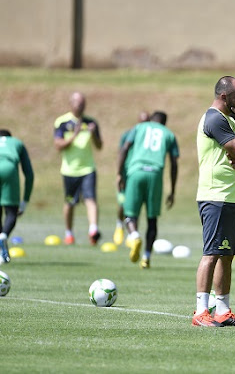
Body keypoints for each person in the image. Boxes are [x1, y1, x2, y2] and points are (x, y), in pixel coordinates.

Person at [193, 76, 235, 327]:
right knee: (211, 253)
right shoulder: (215, 118)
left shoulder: (228, 119)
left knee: (227, 255)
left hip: (231, 196)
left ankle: (222, 310)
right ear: (224, 97)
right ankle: (200, 311)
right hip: (215, 195)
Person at [117, 112, 179, 269]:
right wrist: (172, 189)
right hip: (155, 174)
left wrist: (119, 173)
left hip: (136, 171)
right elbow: (174, 163)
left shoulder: (139, 127)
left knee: (130, 214)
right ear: (164, 123)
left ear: (151, 119)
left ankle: (134, 235)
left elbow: (125, 148)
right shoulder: (169, 134)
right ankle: (146, 257)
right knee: (152, 219)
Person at [53, 92, 103, 245]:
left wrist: (93, 134)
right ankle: (69, 233)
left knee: (90, 199)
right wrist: (74, 135)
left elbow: (99, 146)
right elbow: (58, 145)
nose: (80, 106)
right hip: (69, 170)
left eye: (83, 103)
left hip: (88, 168)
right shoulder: (62, 122)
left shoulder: (91, 122)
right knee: (70, 203)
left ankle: (93, 231)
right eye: (78, 103)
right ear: (71, 103)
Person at [114, 111, 149, 246]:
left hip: (139, 174)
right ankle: (119, 224)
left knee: (135, 205)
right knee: (123, 203)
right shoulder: (129, 134)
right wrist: (119, 173)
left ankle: (132, 235)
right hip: (127, 173)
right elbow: (121, 152)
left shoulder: (150, 138)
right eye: (142, 122)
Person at [0, 130, 34, 264]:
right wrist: (24, 201)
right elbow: (29, 174)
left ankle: (1, 250)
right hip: (9, 168)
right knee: (11, 212)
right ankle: (3, 236)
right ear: (9, 137)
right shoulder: (16, 143)